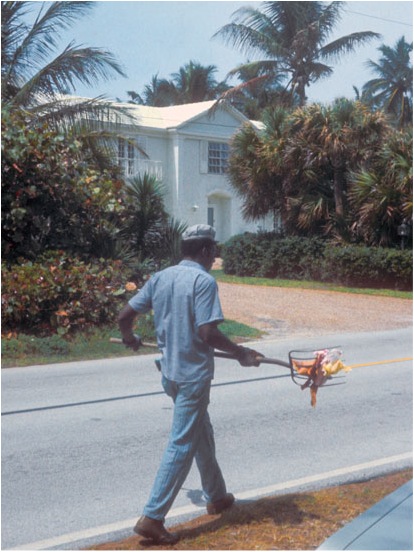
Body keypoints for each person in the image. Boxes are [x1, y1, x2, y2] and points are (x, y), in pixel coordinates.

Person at [118, 224, 264, 545]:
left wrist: (130, 338)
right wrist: (241, 353)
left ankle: (217, 495)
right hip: (192, 377)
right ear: (206, 251)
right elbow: (206, 334)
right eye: (214, 251)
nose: (215, 258)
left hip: (170, 374)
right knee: (182, 443)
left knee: (201, 432)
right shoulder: (203, 281)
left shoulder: (161, 278)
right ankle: (153, 517)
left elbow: (124, 316)